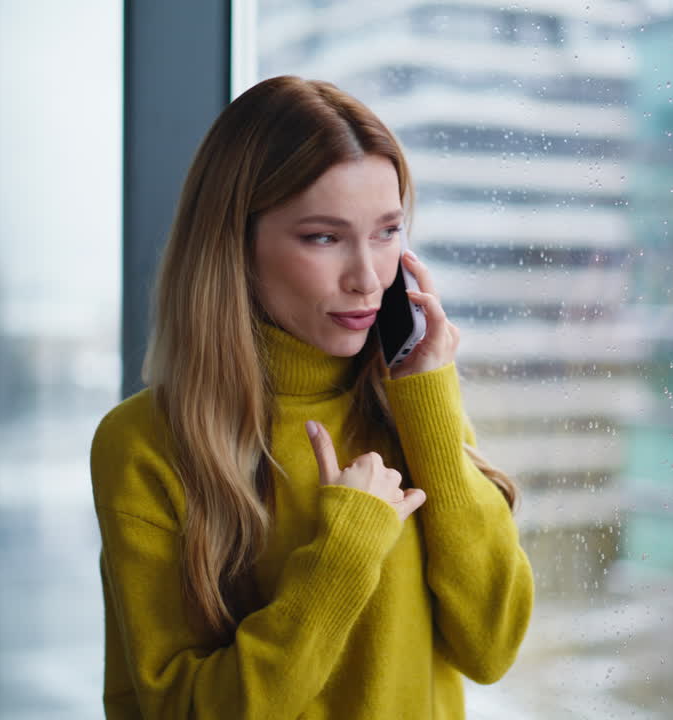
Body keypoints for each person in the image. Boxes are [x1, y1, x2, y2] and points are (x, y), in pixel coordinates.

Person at [90, 75, 534, 719]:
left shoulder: (410, 402)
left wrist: (431, 403)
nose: (367, 278)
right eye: (323, 237)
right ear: (236, 246)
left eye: (387, 232)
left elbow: (492, 647)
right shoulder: (145, 445)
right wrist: (339, 559)